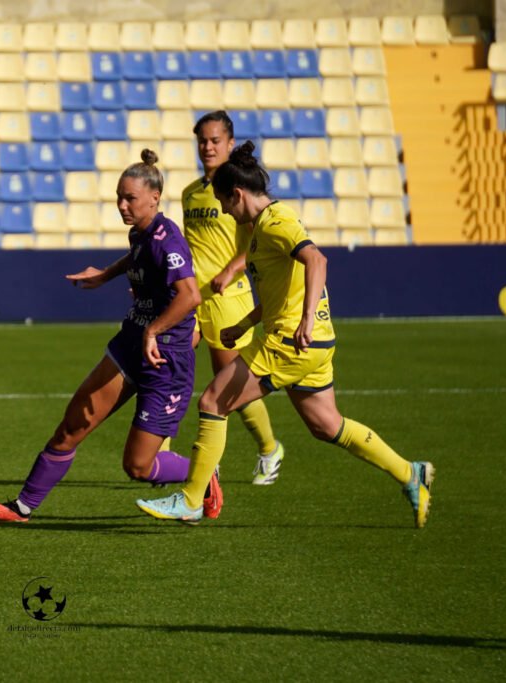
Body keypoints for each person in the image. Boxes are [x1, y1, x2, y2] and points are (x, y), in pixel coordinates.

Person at [136, 142, 435, 528]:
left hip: (290, 341)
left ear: (238, 195)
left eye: (227, 204)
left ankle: (192, 499)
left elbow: (317, 260)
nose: (226, 211)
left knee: (213, 401)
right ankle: (410, 474)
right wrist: (245, 324)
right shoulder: (263, 228)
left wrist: (306, 319)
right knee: (327, 425)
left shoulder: (277, 222)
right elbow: (281, 289)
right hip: (312, 343)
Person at [0, 150, 214, 523]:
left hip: (165, 361)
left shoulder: (168, 240)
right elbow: (136, 257)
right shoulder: (141, 232)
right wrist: (106, 274)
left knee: (137, 466)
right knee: (71, 426)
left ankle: (202, 475)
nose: (121, 205)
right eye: (118, 197)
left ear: (154, 197)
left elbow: (190, 296)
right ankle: (20, 508)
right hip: (131, 345)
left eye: (129, 198)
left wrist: (154, 329)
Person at [183, 111, 284, 492]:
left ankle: (269, 448)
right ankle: (189, 462)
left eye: (214, 141)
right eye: (202, 141)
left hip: (231, 300)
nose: (207, 147)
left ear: (229, 143)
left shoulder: (240, 190)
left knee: (231, 389)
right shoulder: (190, 192)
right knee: (169, 371)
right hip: (194, 301)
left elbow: (257, 240)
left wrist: (231, 269)